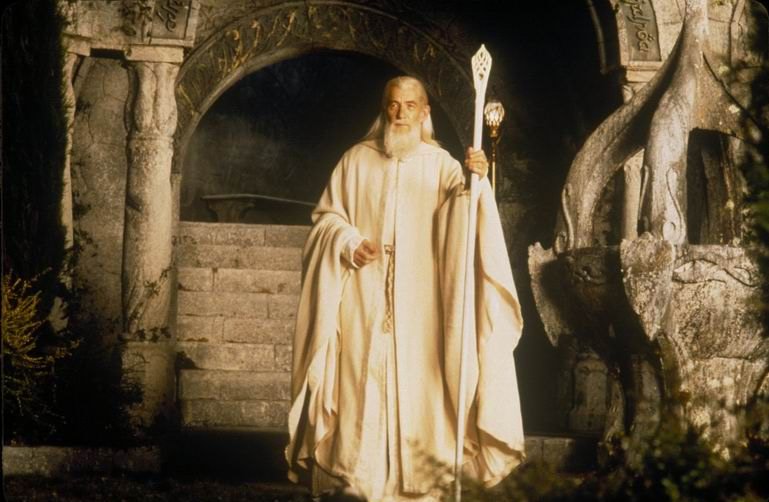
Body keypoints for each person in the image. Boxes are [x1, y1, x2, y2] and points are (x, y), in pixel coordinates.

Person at [286, 76, 524, 501]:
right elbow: (325, 220)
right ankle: (357, 487)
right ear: (384, 110)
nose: (400, 114)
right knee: (357, 392)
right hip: (362, 300)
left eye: (410, 106)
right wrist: (349, 242)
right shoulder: (355, 161)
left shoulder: (443, 165)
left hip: (422, 306)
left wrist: (476, 184)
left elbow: (464, 224)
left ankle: (419, 491)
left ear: (424, 112)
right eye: (393, 105)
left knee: (424, 393)